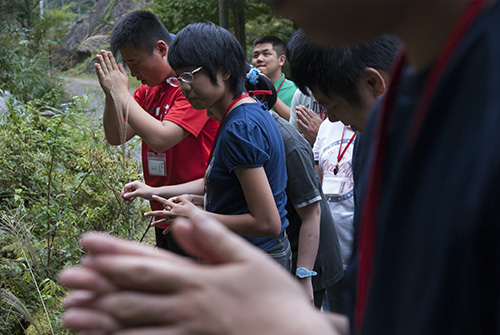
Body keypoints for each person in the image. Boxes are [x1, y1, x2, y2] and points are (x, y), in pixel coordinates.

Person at [60, 1, 500, 334]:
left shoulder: (245, 124)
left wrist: (198, 215)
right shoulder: (392, 115)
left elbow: (273, 218)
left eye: (187, 76)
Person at [122, 22, 292, 269]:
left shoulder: (240, 129)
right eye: (179, 77)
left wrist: (197, 216)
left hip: (254, 262)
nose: (184, 86)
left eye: (190, 75)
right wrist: (158, 192)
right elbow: (221, 183)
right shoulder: (244, 112)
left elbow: (267, 223)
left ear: (224, 70)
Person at [95, 10, 218, 253]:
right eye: (127, 64)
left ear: (161, 49)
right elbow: (116, 136)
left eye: (135, 62)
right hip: (161, 208)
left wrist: (122, 93)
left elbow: (162, 139)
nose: (132, 73)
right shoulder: (146, 90)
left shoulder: (191, 87)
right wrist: (112, 94)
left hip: (196, 208)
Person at [245, 65, 344, 309]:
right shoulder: (243, 131)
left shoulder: (287, 140)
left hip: (309, 259)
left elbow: (312, 212)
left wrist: (304, 275)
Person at [252, 35, 297, 120]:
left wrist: (268, 91)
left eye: (266, 54)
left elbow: (297, 122)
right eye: (255, 55)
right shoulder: (248, 89)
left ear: (281, 60)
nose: (259, 59)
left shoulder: (295, 90)